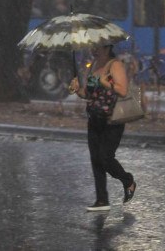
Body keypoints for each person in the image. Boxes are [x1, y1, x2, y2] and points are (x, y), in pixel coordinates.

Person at [69, 44, 137, 211]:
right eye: (93, 47)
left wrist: (106, 83)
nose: (93, 49)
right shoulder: (93, 65)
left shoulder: (115, 65)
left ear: (107, 47)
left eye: (97, 47)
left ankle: (128, 180)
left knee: (105, 157)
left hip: (111, 120)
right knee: (96, 160)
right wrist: (78, 90)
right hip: (94, 118)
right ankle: (101, 200)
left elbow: (122, 90)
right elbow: (89, 94)